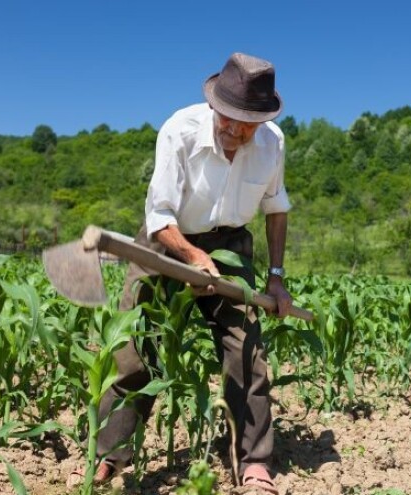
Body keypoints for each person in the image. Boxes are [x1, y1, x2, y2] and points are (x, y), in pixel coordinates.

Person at [89, 52, 292, 494]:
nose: (235, 129)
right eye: (228, 117)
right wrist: (192, 256)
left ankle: (253, 461)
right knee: (135, 351)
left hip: (231, 246)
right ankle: (109, 455)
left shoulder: (272, 143)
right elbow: (160, 215)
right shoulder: (178, 130)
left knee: (245, 349)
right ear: (215, 104)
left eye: (247, 123)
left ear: (262, 119)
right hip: (167, 241)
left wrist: (276, 276)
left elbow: (276, 209)